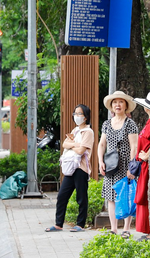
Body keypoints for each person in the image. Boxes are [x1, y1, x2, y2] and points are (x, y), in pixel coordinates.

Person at [45, 104, 94, 232]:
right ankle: (58, 224)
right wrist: (75, 144)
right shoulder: (75, 131)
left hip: (81, 168)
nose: (76, 116)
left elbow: (81, 151)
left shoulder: (88, 132)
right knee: (62, 195)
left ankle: (80, 224)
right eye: (75, 113)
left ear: (86, 117)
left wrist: (72, 145)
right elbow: (64, 144)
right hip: (70, 167)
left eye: (80, 114)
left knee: (81, 197)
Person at [98, 91, 139, 238]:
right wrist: (100, 161)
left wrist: (131, 167)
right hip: (110, 165)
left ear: (126, 105)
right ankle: (113, 228)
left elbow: (134, 147)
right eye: (115, 102)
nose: (118, 105)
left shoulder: (130, 124)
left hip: (125, 165)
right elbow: (102, 144)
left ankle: (126, 228)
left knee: (127, 195)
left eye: (121, 102)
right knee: (111, 196)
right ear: (111, 106)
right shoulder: (107, 124)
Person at [133, 92, 150, 240]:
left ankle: (149, 230)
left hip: (148, 166)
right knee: (143, 195)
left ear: (147, 108)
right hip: (143, 165)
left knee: (146, 196)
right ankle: (147, 230)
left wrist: (148, 155)